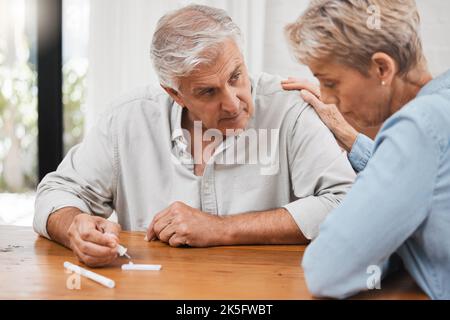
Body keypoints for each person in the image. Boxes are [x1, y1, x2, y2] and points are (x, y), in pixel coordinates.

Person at [33, 4, 355, 268]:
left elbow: (346, 203)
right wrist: (74, 227)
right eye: (207, 91)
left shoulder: (290, 109)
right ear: (175, 94)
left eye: (236, 76)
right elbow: (57, 192)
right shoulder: (127, 119)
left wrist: (221, 229)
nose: (233, 103)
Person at [283, 0, 450, 299]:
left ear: (382, 67)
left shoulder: (418, 127)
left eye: (331, 82)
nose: (326, 97)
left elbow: (328, 271)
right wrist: (352, 139)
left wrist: (382, 246)